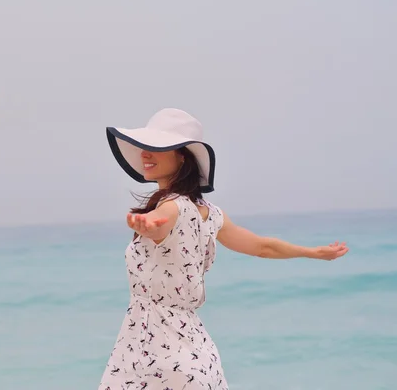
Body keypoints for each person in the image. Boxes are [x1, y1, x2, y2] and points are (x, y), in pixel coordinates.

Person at [98, 108, 349, 390]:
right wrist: (312, 252)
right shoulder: (210, 213)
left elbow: (163, 222)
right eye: (144, 147)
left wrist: (151, 226)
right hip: (193, 348)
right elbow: (262, 247)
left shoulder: (169, 207)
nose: (144, 154)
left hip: (153, 349)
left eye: (155, 148)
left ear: (182, 156)